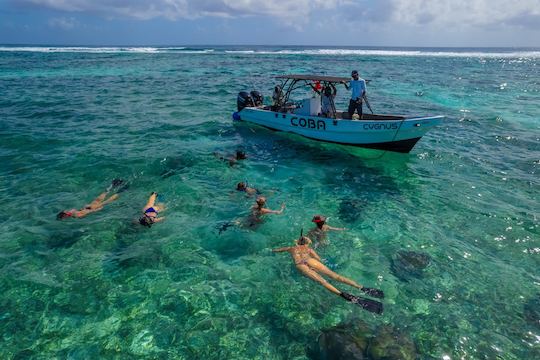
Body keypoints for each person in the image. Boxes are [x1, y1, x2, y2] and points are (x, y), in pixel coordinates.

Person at [272, 233, 384, 313]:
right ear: (307, 242)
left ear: (297, 242)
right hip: (310, 260)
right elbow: (318, 258)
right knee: (335, 276)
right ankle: (361, 288)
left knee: (323, 282)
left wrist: (273, 250)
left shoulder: (291, 248)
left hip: (300, 264)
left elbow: (278, 250)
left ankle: (344, 295)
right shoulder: (310, 249)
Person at [56, 179, 125, 220]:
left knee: (107, 201)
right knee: (101, 196)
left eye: (63, 218)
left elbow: (87, 212)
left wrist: (96, 210)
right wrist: (85, 208)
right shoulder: (71, 211)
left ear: (65, 216)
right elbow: (80, 210)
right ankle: (113, 185)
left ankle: (121, 190)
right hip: (89, 205)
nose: (64, 219)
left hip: (91, 208)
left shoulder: (75, 216)